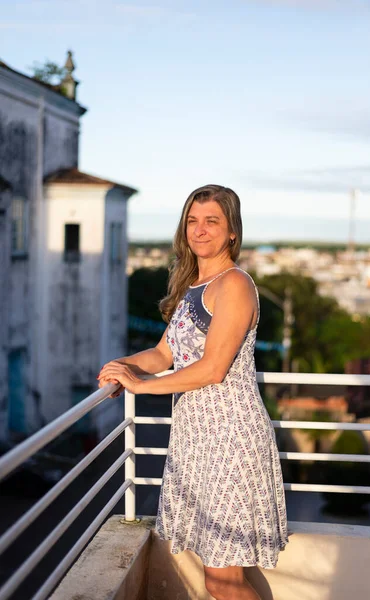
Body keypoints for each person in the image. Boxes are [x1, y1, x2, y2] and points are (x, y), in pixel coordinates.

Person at [98, 184, 289, 600]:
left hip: (230, 441)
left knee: (222, 580)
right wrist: (124, 367)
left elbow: (213, 369)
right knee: (222, 573)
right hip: (198, 441)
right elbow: (163, 353)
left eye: (212, 221)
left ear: (232, 231)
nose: (200, 230)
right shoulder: (195, 288)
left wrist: (141, 385)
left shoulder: (235, 284)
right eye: (192, 221)